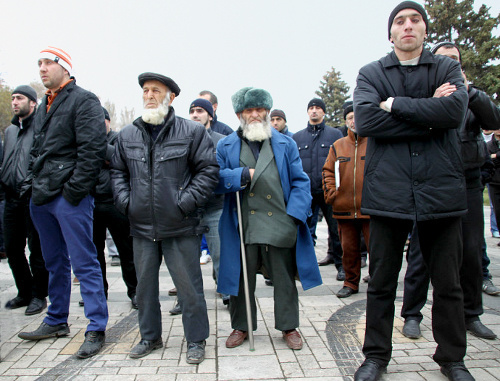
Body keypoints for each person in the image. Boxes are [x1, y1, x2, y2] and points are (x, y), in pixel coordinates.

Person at [353, 3, 473, 380]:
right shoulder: (371, 72)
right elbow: (369, 120)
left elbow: (453, 114)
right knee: (383, 281)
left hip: (441, 188)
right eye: (399, 22)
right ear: (390, 34)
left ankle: (452, 359)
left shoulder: (447, 67)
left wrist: (396, 106)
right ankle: (376, 357)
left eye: (415, 20)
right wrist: (428, 112)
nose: (408, 26)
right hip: (389, 191)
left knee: (448, 283)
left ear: (425, 30)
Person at [111, 72, 219, 364]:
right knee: (144, 287)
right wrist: (127, 202)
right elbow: (117, 173)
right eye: (145, 90)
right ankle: (150, 337)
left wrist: (184, 204)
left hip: (181, 225)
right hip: (141, 226)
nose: (149, 95)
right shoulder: (127, 135)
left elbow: (208, 171)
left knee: (189, 288)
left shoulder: (192, 132)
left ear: (170, 97)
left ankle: (196, 340)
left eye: (156, 90)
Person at [401, 41, 500, 342]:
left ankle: (472, 315)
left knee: (471, 252)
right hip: (430, 183)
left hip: (468, 182)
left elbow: (494, 121)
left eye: (454, 61)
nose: (450, 65)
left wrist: (468, 92)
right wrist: (433, 100)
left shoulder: (471, 96)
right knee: (420, 253)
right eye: (444, 60)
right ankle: (412, 314)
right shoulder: (423, 91)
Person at [18, 46, 108, 359]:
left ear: (64, 66)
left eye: (47, 62)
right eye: (38, 63)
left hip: (68, 197)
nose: (41, 68)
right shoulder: (44, 103)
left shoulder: (84, 99)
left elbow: (93, 150)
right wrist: (31, 183)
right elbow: (37, 149)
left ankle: (96, 327)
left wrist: (73, 192)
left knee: (84, 262)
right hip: (41, 196)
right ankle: (57, 319)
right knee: (53, 261)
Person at [215, 87, 322, 351]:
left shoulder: (285, 143)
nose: (254, 114)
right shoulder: (225, 145)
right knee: (241, 277)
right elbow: (214, 179)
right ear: (239, 114)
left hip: (279, 221)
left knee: (284, 277)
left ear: (266, 111)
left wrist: (295, 215)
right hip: (244, 223)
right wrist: (239, 176)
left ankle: (288, 326)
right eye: (248, 110)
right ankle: (241, 325)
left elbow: (300, 182)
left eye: (259, 109)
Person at [1, 85, 49, 315]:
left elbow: (41, 160)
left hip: (32, 197)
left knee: (37, 250)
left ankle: (39, 295)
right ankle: (25, 291)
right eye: (12, 98)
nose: (14, 102)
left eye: (19, 98)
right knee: (12, 248)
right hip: (10, 199)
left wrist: (31, 186)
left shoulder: (40, 127)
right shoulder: (10, 131)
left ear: (32, 103)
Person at [90, 107, 138, 309]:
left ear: (108, 121)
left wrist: (95, 145)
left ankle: (135, 291)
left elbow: (119, 161)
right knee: (94, 253)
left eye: (100, 121)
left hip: (115, 203)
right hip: (91, 203)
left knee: (127, 252)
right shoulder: (84, 142)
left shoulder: (118, 139)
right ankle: (98, 292)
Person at [292, 98, 344, 280]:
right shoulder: (297, 137)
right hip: (306, 192)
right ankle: (302, 268)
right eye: (311, 108)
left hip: (329, 192)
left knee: (336, 230)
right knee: (304, 230)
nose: (314, 111)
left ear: (323, 112)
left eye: (318, 108)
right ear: (307, 112)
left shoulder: (335, 135)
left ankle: (341, 266)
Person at [322, 101, 369, 299]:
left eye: (357, 117)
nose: (354, 121)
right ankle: (350, 282)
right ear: (346, 121)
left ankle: (377, 281)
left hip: (371, 209)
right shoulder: (338, 146)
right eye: (350, 117)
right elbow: (327, 171)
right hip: (344, 208)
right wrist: (331, 193)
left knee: (377, 249)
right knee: (348, 249)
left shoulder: (376, 142)